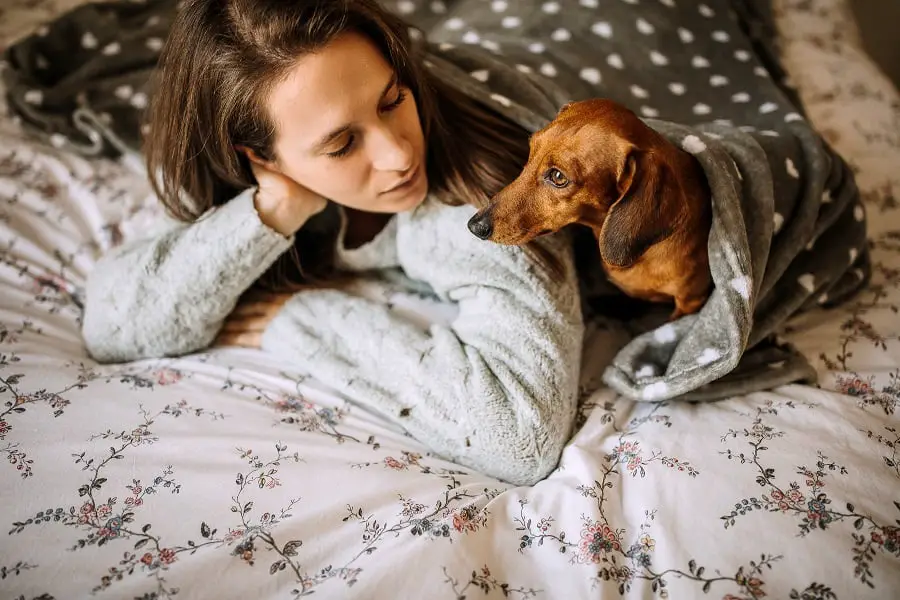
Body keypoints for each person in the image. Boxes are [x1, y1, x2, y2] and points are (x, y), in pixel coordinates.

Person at [81, 0, 585, 486]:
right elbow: (113, 323)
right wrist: (272, 212)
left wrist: (301, 320)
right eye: (342, 144)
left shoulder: (486, 204)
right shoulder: (254, 182)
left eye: (393, 99)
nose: (399, 154)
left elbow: (521, 434)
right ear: (261, 158)